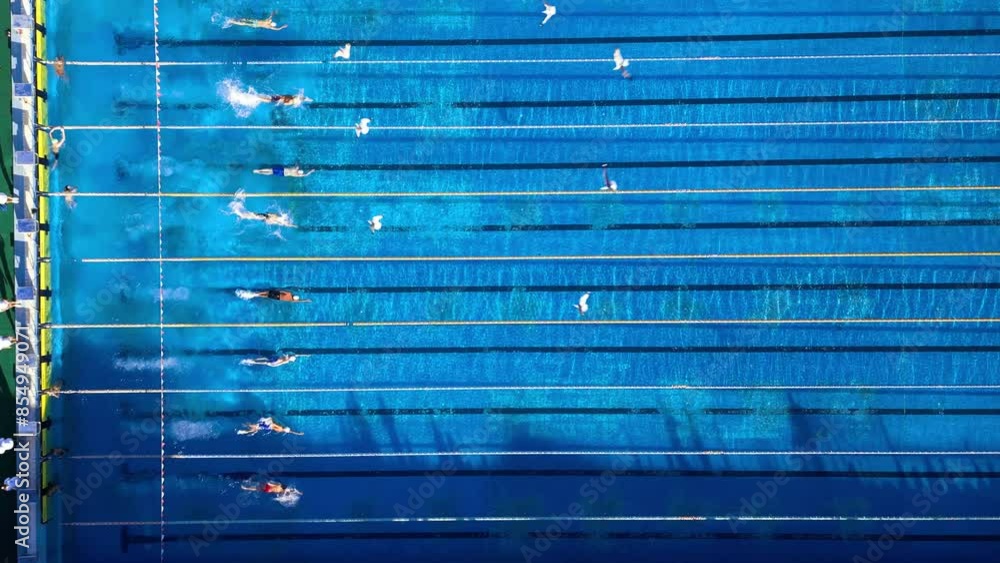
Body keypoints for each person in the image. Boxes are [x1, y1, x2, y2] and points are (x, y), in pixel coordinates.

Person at [237, 417, 303, 436]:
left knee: (255, 428)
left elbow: (274, 425)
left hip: (267, 426)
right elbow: (291, 432)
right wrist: (298, 433)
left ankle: (243, 428)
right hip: (267, 426)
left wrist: (270, 422)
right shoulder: (282, 430)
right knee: (255, 428)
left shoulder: (281, 428)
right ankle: (242, 431)